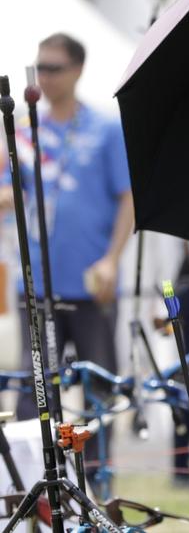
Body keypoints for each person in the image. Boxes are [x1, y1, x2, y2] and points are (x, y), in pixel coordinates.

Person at [0, 32, 134, 489]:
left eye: (54, 68)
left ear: (77, 70)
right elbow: (5, 191)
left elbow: (126, 198)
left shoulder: (104, 128)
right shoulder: (21, 130)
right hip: (36, 284)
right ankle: (34, 479)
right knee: (36, 389)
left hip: (90, 284)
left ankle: (97, 478)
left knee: (99, 387)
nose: (45, 77)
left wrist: (113, 260)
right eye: (40, 68)